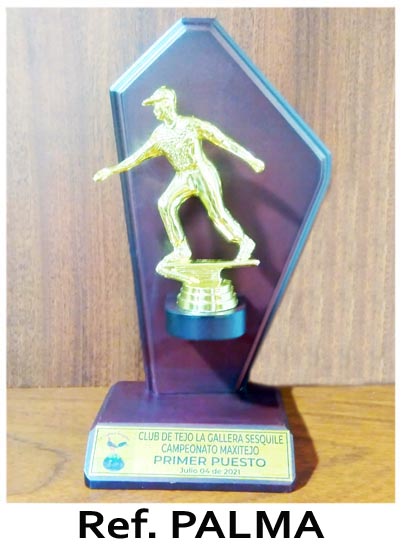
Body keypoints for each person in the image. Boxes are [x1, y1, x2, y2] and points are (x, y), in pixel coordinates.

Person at [93, 86, 265, 262]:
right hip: (183, 176)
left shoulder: (191, 125)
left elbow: (222, 140)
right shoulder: (159, 135)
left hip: (202, 172)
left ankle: (245, 243)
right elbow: (137, 157)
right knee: (165, 204)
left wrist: (250, 159)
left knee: (217, 214)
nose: (155, 111)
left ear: (167, 104)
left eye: (156, 105)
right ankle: (181, 250)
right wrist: (112, 170)